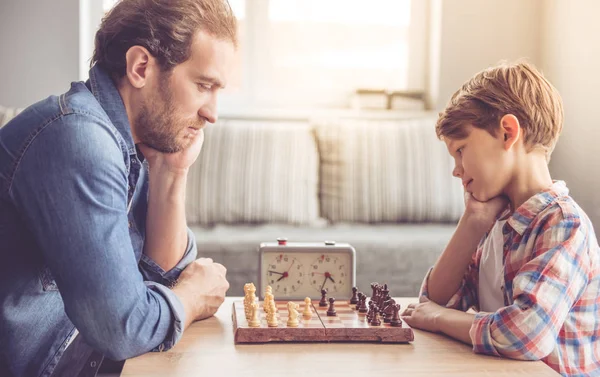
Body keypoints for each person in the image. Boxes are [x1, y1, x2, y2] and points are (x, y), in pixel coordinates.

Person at [0, 1, 237, 376]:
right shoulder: (79, 139)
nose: (212, 113)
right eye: (203, 85)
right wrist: (192, 298)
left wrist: (172, 174)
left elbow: (162, 280)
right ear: (140, 67)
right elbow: (124, 328)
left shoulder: (132, 141)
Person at [401, 62, 600, 376]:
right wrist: (472, 223)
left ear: (508, 133)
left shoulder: (564, 226)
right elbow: (433, 301)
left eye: (461, 150)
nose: (456, 169)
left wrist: (438, 318)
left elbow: (525, 335)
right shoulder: (499, 221)